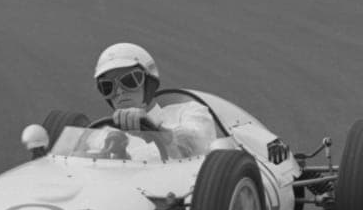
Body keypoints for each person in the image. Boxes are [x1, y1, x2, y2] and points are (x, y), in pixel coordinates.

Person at [94, 42, 290, 162]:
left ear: (149, 83)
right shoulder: (100, 136)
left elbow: (196, 146)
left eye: (129, 80)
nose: (119, 92)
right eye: (108, 86)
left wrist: (156, 131)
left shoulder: (188, 113)